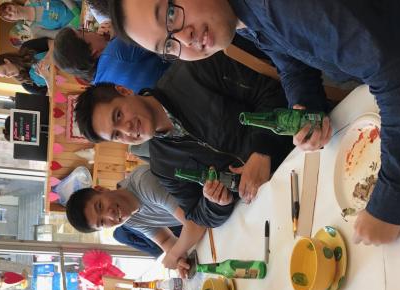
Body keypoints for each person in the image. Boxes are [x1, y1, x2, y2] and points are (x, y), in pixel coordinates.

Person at [109, 0, 400, 247]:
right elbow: (289, 60)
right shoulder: (242, 15)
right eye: (169, 45)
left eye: (170, 14)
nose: (185, 38)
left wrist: (389, 203)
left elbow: (396, 77)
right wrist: (305, 104)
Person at [73, 52, 293, 227]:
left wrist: (261, 151)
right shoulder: (162, 164)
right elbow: (197, 215)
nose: (126, 129)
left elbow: (272, 91)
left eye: (118, 116)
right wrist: (216, 203)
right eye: (117, 135)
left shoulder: (194, 71)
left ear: (124, 91)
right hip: (272, 201)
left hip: (297, 147)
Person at [65, 165, 205, 275]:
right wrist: (180, 259)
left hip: (214, 197)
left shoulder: (143, 183)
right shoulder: (130, 219)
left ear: (101, 189)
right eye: (102, 222)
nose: (110, 215)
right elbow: (165, 240)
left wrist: (174, 254)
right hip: (211, 220)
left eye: (100, 206)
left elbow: (196, 222)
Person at [52, 27, 171, 89]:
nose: (91, 31)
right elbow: (161, 29)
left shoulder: (100, 87)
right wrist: (119, 29)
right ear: (93, 51)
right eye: (84, 32)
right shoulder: (118, 49)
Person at [0, 0, 81, 34]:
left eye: (10, 8)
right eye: (10, 15)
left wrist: (75, 10)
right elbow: (57, 34)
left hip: (81, 4)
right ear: (12, 20)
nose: (13, 12)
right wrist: (73, 25)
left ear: (13, 4)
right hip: (78, 27)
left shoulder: (33, 0)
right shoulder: (34, 29)